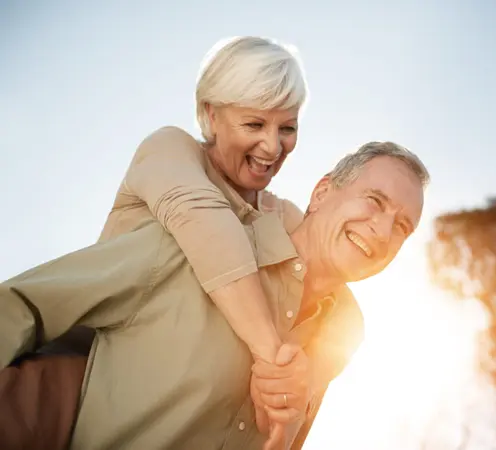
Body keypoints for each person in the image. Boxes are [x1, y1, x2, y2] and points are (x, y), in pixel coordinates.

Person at [0, 141, 429, 450]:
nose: (384, 230)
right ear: (321, 192)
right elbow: (19, 306)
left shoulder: (333, 346)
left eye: (403, 226)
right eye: (374, 200)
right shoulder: (185, 249)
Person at [41, 35, 313, 448]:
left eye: (288, 127)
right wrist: (272, 358)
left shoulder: (283, 215)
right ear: (211, 114)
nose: (273, 146)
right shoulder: (170, 151)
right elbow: (208, 223)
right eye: (254, 124)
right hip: (93, 412)